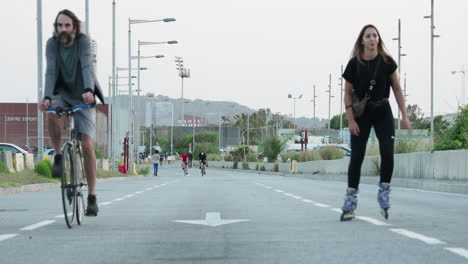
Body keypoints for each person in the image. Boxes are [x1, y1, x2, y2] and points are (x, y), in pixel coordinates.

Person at [340, 24, 412, 221]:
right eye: (368, 36)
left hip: (383, 111)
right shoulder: (354, 64)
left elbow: (397, 89)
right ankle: (350, 202)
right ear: (362, 41)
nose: (372, 39)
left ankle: (384, 192)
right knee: (357, 157)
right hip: (361, 115)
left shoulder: (387, 62)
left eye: (375, 36)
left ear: (378, 39)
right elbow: (346, 93)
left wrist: (404, 116)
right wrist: (351, 120)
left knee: (388, 152)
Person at [39, 9, 105, 217]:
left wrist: (88, 90)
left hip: (83, 94)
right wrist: (47, 96)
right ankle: (58, 155)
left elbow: (87, 66)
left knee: (87, 144)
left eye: (67, 26)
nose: (63, 29)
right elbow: (50, 70)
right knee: (51, 114)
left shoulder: (83, 42)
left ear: (75, 27)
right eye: (59, 26)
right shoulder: (52, 44)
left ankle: (92, 196)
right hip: (61, 93)